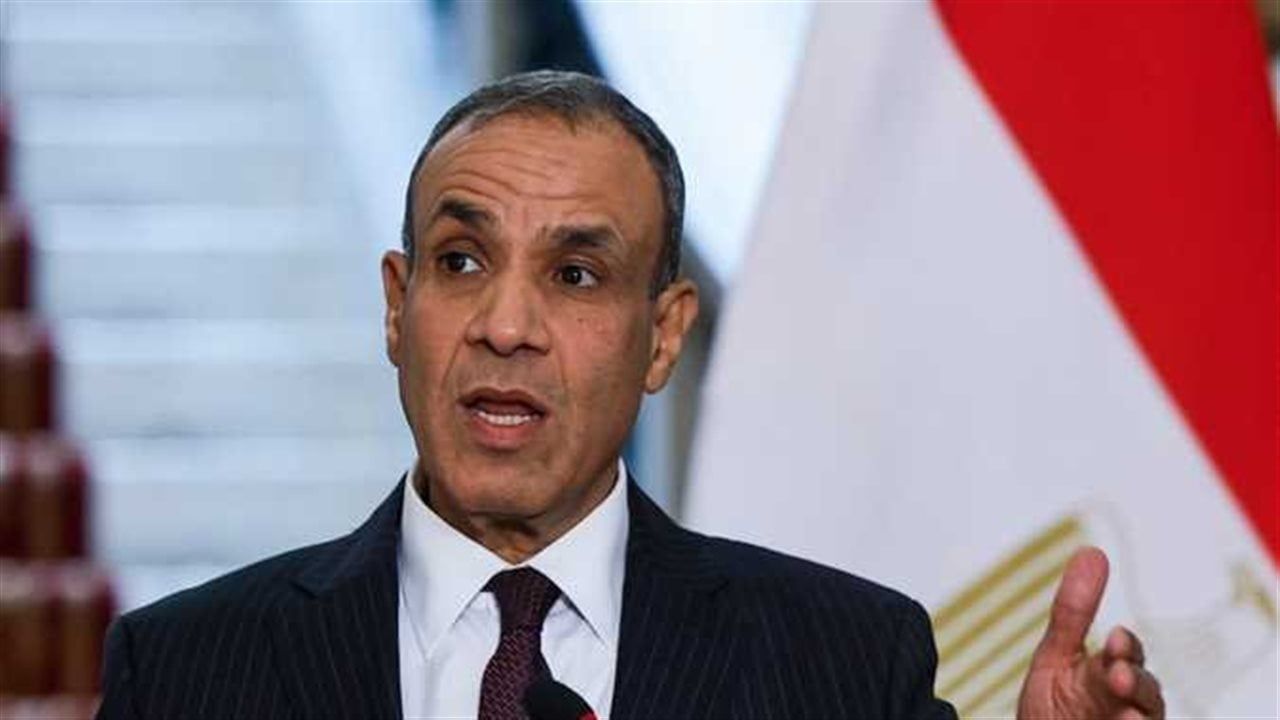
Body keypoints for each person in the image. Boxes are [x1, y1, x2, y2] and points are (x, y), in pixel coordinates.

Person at [97, 70, 1164, 720]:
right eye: (461, 261)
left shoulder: (842, 665)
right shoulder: (188, 671)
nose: (505, 324)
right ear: (395, 305)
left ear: (663, 336)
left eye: (574, 275)